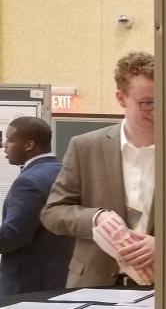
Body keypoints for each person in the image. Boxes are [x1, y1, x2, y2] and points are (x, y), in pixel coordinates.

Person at [41, 51, 157, 287]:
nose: (157, 111)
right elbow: (52, 213)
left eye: (164, 101)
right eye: (146, 103)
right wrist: (94, 217)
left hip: (162, 288)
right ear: (121, 98)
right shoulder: (85, 147)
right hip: (93, 285)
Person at [0, 117, 73, 296]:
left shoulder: (28, 182)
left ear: (29, 145)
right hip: (60, 280)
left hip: (26, 287)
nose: (4, 145)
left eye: (10, 139)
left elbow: (12, 236)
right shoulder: (64, 172)